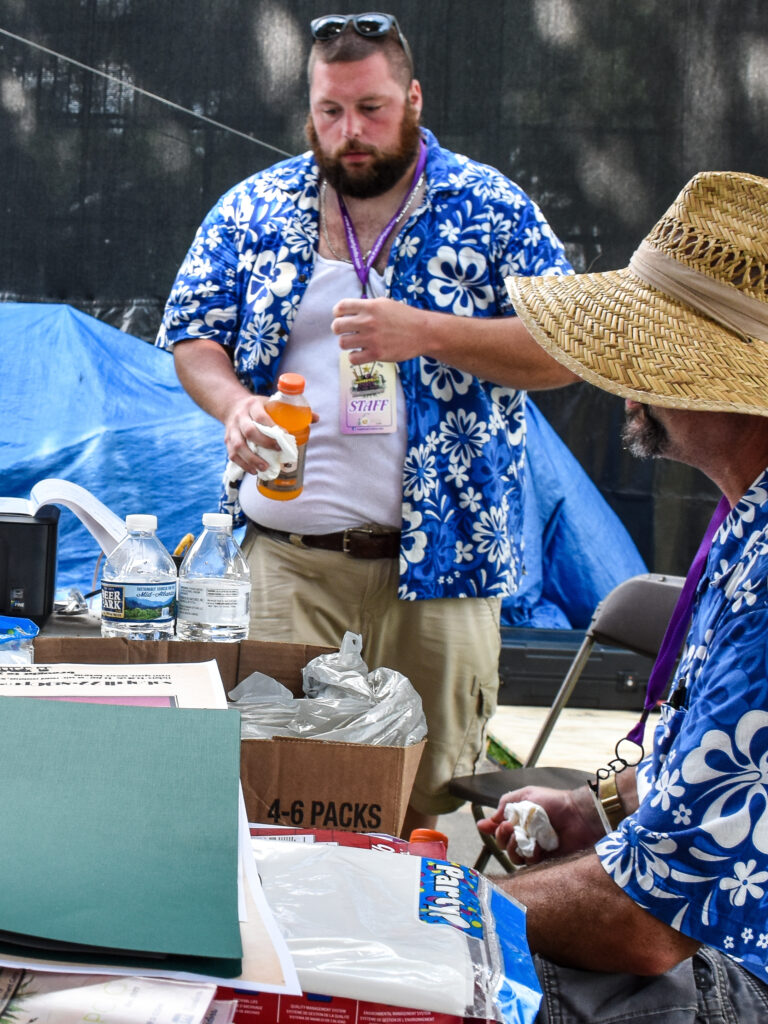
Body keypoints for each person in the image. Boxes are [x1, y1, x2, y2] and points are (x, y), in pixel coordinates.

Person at [155, 11, 575, 834]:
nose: (351, 132)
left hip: (443, 577)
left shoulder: (490, 207)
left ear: (413, 99)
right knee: (276, 795)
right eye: (330, 112)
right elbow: (193, 335)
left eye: (373, 109)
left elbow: (565, 352)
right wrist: (235, 406)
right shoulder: (257, 206)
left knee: (432, 804)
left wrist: (429, 332)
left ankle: (423, 959)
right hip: (289, 569)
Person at [479, 170, 768, 1021]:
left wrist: (438, 904)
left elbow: (645, 924)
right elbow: (713, 772)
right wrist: (594, 805)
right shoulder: (747, 518)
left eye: (655, 348)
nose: (624, 377)